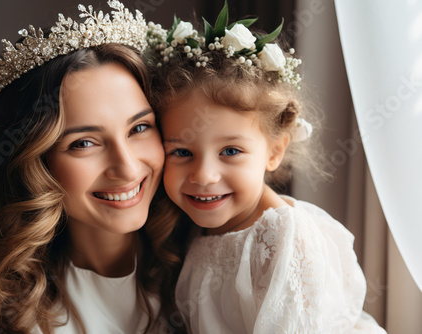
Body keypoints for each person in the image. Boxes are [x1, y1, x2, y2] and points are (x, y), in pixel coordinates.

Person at [0, 2, 183, 333]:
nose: (128, 168)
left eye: (139, 128)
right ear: (35, 161)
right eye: (84, 143)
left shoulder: (211, 266)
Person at [147, 3, 388, 333]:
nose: (203, 175)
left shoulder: (283, 237)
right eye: (182, 152)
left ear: (274, 151)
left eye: (230, 150)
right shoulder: (197, 229)